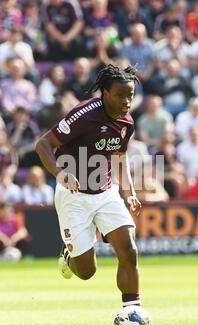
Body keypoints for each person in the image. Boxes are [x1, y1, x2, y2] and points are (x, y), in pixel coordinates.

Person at [36, 64, 143, 309]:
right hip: (73, 196)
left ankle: (132, 314)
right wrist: (60, 173)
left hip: (106, 192)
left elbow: (119, 156)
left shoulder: (126, 122)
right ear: (105, 93)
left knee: (129, 250)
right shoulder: (84, 114)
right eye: (120, 95)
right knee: (86, 272)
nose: (126, 101)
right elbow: (43, 144)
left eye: (130, 95)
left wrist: (130, 192)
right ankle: (69, 255)